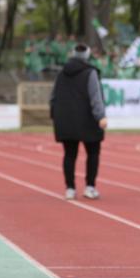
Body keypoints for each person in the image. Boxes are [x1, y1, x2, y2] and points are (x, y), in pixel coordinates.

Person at [49, 44, 107, 200]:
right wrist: (100, 116)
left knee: (69, 154)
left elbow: (53, 97)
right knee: (93, 153)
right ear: (87, 55)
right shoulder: (90, 73)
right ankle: (90, 187)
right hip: (87, 119)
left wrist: (55, 116)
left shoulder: (61, 74)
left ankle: (70, 188)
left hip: (66, 119)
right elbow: (96, 97)